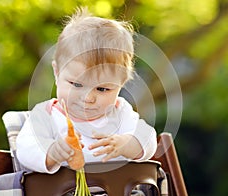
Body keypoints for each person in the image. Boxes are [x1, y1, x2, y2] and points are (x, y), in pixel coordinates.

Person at [16, 7, 156, 177]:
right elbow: (25, 149)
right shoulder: (45, 116)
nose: (88, 98)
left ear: (122, 83)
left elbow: (148, 138)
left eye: (102, 89)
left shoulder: (121, 112)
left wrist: (128, 144)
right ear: (57, 73)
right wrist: (52, 152)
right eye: (76, 84)